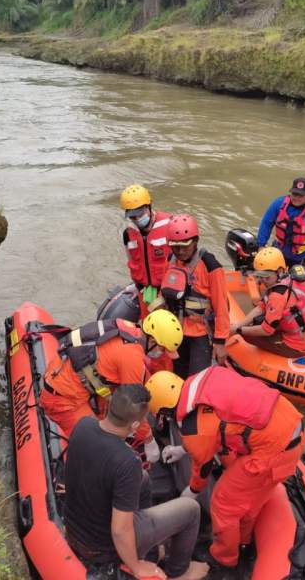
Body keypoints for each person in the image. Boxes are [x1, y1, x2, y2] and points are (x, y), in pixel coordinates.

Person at [146, 366, 305, 572]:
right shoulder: (200, 379)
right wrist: (183, 449)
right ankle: (244, 540)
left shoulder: (195, 427)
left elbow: (202, 465)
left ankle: (223, 558)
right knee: (249, 499)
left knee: (223, 502)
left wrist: (192, 491)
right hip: (287, 422)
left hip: (272, 449)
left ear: (165, 409)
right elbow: (220, 425)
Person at [64, 385, 208, 580]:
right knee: (191, 509)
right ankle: (179, 571)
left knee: (143, 478)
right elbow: (120, 530)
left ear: (108, 407)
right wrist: (135, 565)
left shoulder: (83, 425)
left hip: (76, 527)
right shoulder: (126, 462)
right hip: (104, 546)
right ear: (133, 426)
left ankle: (150, 551)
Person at [39, 310, 183, 458]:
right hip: (64, 399)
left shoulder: (130, 331)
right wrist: (148, 438)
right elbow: (133, 408)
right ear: (152, 341)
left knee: (107, 425)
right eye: (163, 349)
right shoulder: (132, 358)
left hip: (67, 376)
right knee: (99, 450)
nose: (162, 354)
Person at [155, 214, 229, 376]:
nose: (180, 251)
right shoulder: (171, 260)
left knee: (197, 379)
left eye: (185, 246)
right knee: (178, 374)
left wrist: (220, 341)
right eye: (175, 246)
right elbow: (164, 291)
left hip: (199, 333)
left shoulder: (210, 266)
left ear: (195, 241)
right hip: (175, 331)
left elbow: (221, 306)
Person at [230, 247, 305, 357]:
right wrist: (239, 324)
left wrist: (239, 330)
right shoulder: (290, 278)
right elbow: (261, 306)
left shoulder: (277, 296)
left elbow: (266, 330)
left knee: (247, 335)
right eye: (260, 277)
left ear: (280, 271)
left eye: (266, 278)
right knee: (255, 322)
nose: (262, 281)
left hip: (297, 345)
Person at [257, 177, 305, 275]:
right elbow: (266, 223)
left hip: (303, 257)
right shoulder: (278, 204)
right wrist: (261, 245)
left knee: (297, 282)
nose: (296, 198)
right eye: (294, 194)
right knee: (270, 277)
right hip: (279, 252)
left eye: (301, 195)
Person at [120, 184, 172, 318]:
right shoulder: (128, 234)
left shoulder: (170, 225)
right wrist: (138, 286)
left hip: (169, 290)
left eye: (140, 214)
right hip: (145, 290)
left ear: (149, 206)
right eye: (133, 217)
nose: (137, 220)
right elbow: (132, 262)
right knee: (147, 327)